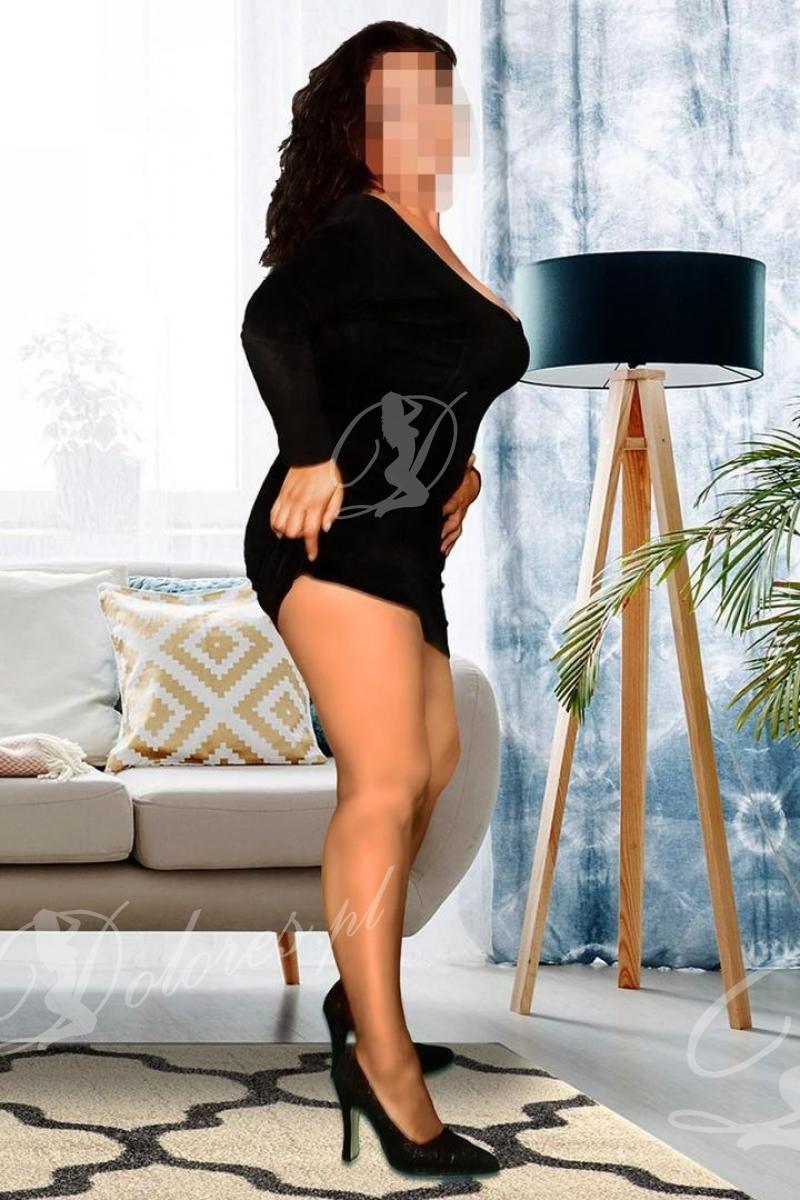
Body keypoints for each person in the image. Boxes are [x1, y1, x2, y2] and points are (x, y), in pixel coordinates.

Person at [240, 19, 529, 1178]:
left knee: (435, 759)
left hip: (409, 548)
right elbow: (271, 321)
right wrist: (310, 454)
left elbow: (427, 376)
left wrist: (463, 468)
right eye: (393, 105)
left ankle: (360, 1004)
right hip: (330, 538)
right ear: (358, 128)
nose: (421, 125)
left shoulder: (429, 238)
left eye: (436, 101)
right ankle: (383, 1063)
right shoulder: (361, 227)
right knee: (387, 778)